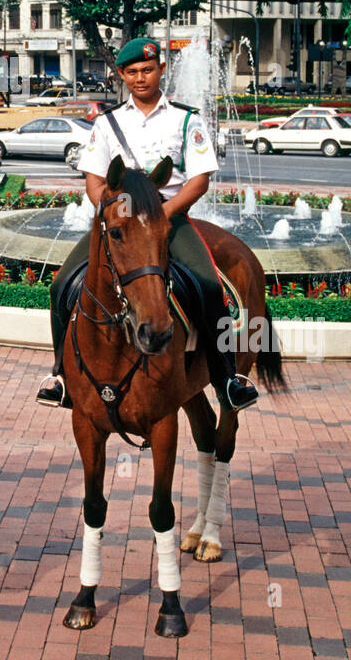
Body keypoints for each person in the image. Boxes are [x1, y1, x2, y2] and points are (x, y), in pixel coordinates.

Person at [36, 37, 258, 413]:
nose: (141, 77)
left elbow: (199, 180)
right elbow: (93, 182)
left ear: (161, 71)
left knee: (209, 287)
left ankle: (226, 379)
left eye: (148, 70)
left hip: (170, 220)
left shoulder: (186, 119)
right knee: (61, 285)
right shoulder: (107, 124)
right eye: (133, 72)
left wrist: (161, 216)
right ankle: (61, 376)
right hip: (120, 226)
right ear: (122, 75)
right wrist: (122, 215)